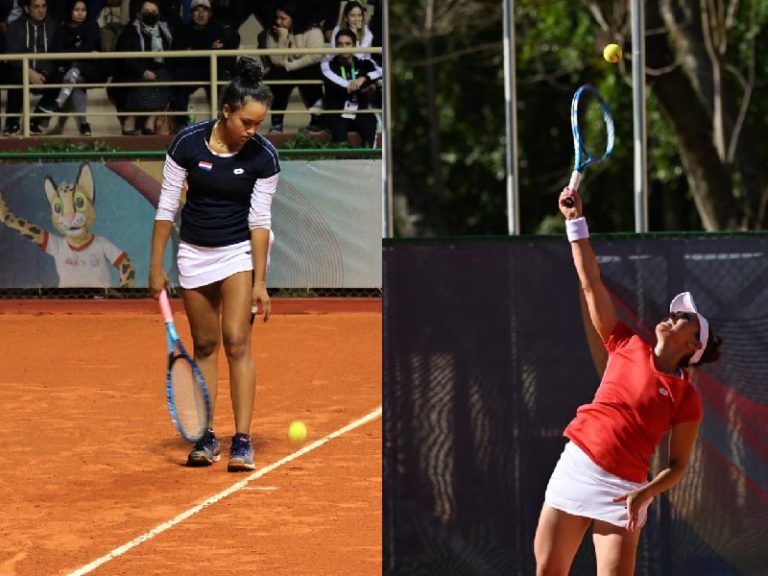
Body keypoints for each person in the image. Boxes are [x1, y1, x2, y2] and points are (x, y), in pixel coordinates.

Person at [533, 187, 723, 576]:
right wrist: (575, 224)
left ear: (692, 345)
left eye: (682, 318)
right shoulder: (625, 343)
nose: (672, 315)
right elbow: (591, 284)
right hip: (578, 465)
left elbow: (679, 465)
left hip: (624, 492)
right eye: (674, 312)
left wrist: (645, 494)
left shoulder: (685, 396)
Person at [149, 58, 279, 472]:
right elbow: (167, 205)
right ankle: (206, 437)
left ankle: (242, 440)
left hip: (238, 251)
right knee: (204, 345)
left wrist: (261, 282)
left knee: (236, 341)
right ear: (226, 111)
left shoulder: (263, 156)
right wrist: (155, 266)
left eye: (259, 124)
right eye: (247, 122)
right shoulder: (186, 143)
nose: (252, 131)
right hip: (194, 252)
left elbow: (259, 221)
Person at [169, 0, 239, 132]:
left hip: (213, 69)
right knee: (178, 81)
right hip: (189, 71)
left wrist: (193, 51)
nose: (201, 14)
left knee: (222, 83)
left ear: (210, 13)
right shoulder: (183, 31)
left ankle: (225, 123)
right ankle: (181, 124)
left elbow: (223, 55)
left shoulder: (218, 30)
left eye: (204, 11)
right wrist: (208, 49)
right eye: (197, 10)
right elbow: (178, 58)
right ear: (191, 13)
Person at [109, 0, 172, 135]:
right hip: (133, 71)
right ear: (139, 14)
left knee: (165, 79)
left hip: (159, 70)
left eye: (154, 12)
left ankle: (151, 120)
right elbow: (123, 57)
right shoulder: (130, 31)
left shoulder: (165, 30)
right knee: (142, 82)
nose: (150, 14)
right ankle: (130, 121)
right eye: (147, 12)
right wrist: (142, 71)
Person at [263, 0, 324, 133]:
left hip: (304, 67)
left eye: (283, 18)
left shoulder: (312, 30)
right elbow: (276, 60)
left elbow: (315, 56)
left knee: (310, 73)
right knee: (277, 76)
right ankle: (276, 123)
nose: (279, 22)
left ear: (294, 18)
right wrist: (282, 39)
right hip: (285, 69)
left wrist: (289, 65)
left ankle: (317, 119)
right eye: (277, 18)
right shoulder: (273, 32)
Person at [48, 0, 107, 135]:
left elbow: (89, 48)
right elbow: (57, 52)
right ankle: (84, 124)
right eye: (76, 10)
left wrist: (73, 51)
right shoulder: (61, 29)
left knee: (76, 68)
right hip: (71, 70)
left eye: (83, 10)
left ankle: (61, 98)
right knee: (77, 81)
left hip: (91, 69)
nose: (80, 13)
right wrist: (79, 50)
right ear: (70, 11)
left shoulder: (92, 26)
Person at [3, 0, 61, 135]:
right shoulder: (15, 26)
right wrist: (29, 72)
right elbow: (12, 54)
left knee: (59, 77)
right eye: (36, 7)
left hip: (45, 70)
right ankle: (12, 123)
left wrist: (44, 72)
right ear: (27, 9)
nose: (41, 10)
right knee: (16, 77)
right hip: (22, 69)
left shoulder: (55, 26)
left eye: (44, 6)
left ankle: (36, 120)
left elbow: (57, 54)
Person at [320, 28, 380, 147]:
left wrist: (364, 79)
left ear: (354, 45)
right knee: (341, 141)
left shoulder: (363, 63)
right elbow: (334, 79)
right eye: (340, 44)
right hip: (337, 112)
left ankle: (368, 158)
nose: (344, 47)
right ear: (336, 46)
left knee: (371, 121)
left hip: (359, 111)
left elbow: (381, 71)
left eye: (348, 44)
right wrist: (353, 84)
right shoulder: (328, 64)